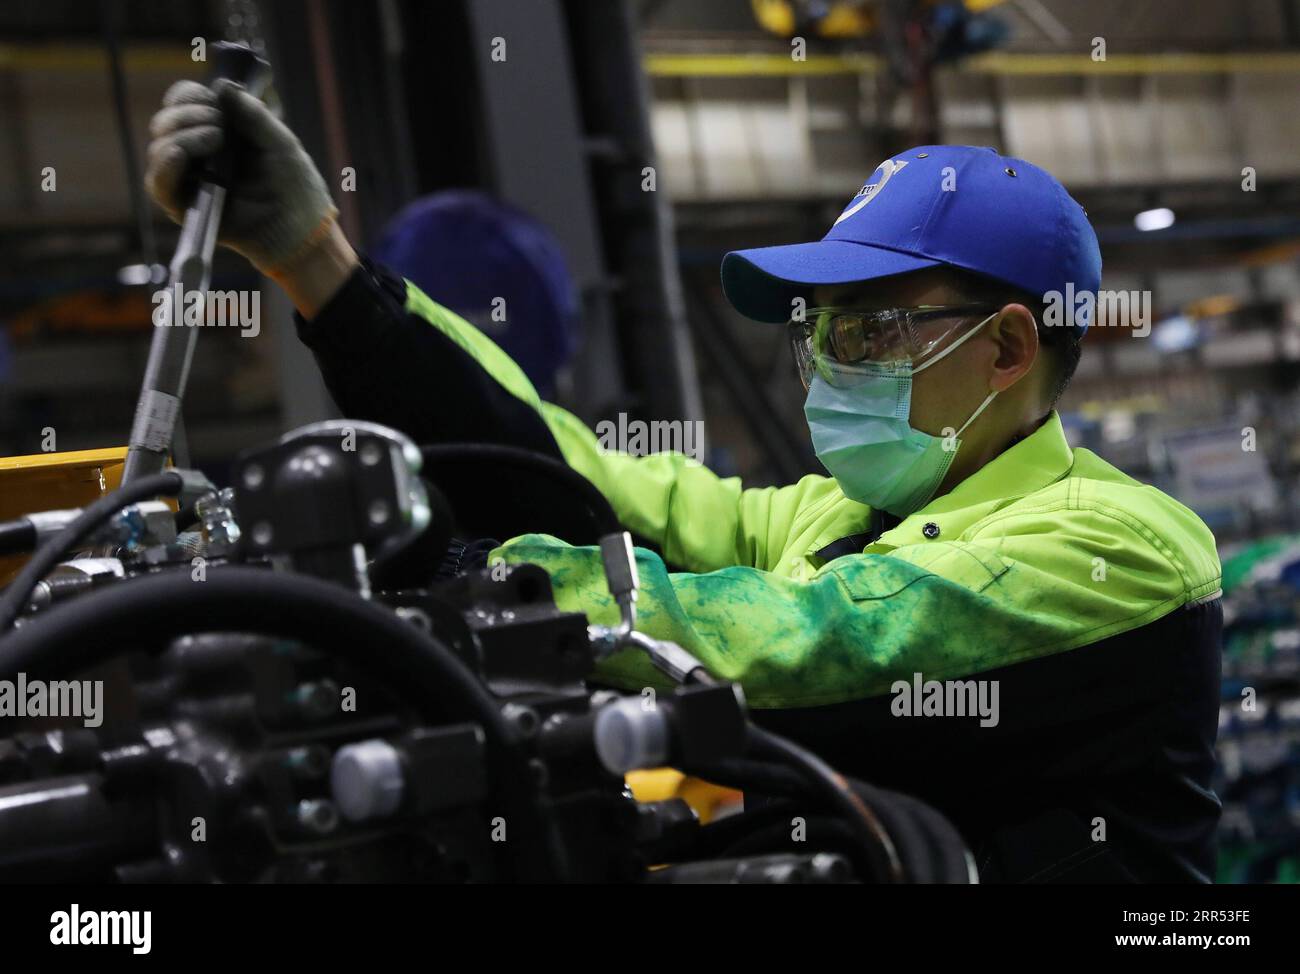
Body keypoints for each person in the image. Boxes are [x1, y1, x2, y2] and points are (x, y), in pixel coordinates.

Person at [145, 79, 1223, 882]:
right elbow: (572, 479)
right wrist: (319, 266)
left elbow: (805, 644)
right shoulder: (836, 516)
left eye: (875, 325)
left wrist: (482, 587)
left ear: (1006, 346)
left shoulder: (1123, 547)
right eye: (825, 332)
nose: (834, 360)